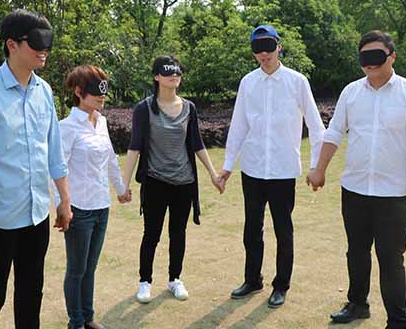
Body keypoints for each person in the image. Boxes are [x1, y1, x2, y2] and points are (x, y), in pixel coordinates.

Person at [307, 31, 406, 328]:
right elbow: (334, 132)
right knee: (357, 252)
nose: (370, 63)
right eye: (365, 57)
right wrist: (319, 168)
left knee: (391, 258)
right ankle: (357, 304)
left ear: (392, 56)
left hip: (392, 192)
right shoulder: (351, 92)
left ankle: (397, 320)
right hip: (355, 188)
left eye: (377, 56)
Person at [0, 9, 73, 329]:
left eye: (47, 42)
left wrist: (64, 199)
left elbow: (54, 150)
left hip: (37, 215)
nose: (44, 49)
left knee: (31, 295)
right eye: (36, 42)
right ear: (12, 44)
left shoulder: (44, 91)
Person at [217, 24, 326, 308]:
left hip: (283, 170)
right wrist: (228, 165)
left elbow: (316, 126)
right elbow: (239, 126)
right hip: (252, 168)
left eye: (268, 47)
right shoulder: (248, 82)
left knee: (283, 230)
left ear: (278, 46)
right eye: (257, 49)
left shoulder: (297, 81)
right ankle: (252, 280)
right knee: (252, 228)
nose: (263, 54)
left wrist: (317, 166)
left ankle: (281, 285)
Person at [120, 55, 222, 304]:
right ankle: (145, 282)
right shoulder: (144, 108)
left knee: (178, 233)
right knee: (151, 234)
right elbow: (134, 147)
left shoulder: (189, 108)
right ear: (156, 76)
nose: (174, 75)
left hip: (184, 183)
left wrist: (213, 174)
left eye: (177, 72)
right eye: (167, 72)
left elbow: (197, 143)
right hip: (155, 181)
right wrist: (124, 184)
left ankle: (175, 279)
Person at [58, 65, 129, 329]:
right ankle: (75, 322)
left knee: (90, 267)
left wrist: (120, 189)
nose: (102, 96)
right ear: (79, 92)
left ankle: (88, 318)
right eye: (96, 91)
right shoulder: (66, 128)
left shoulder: (101, 122)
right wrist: (62, 205)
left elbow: (110, 158)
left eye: (104, 91)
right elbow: (57, 169)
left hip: (101, 205)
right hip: (79, 208)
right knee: (76, 270)